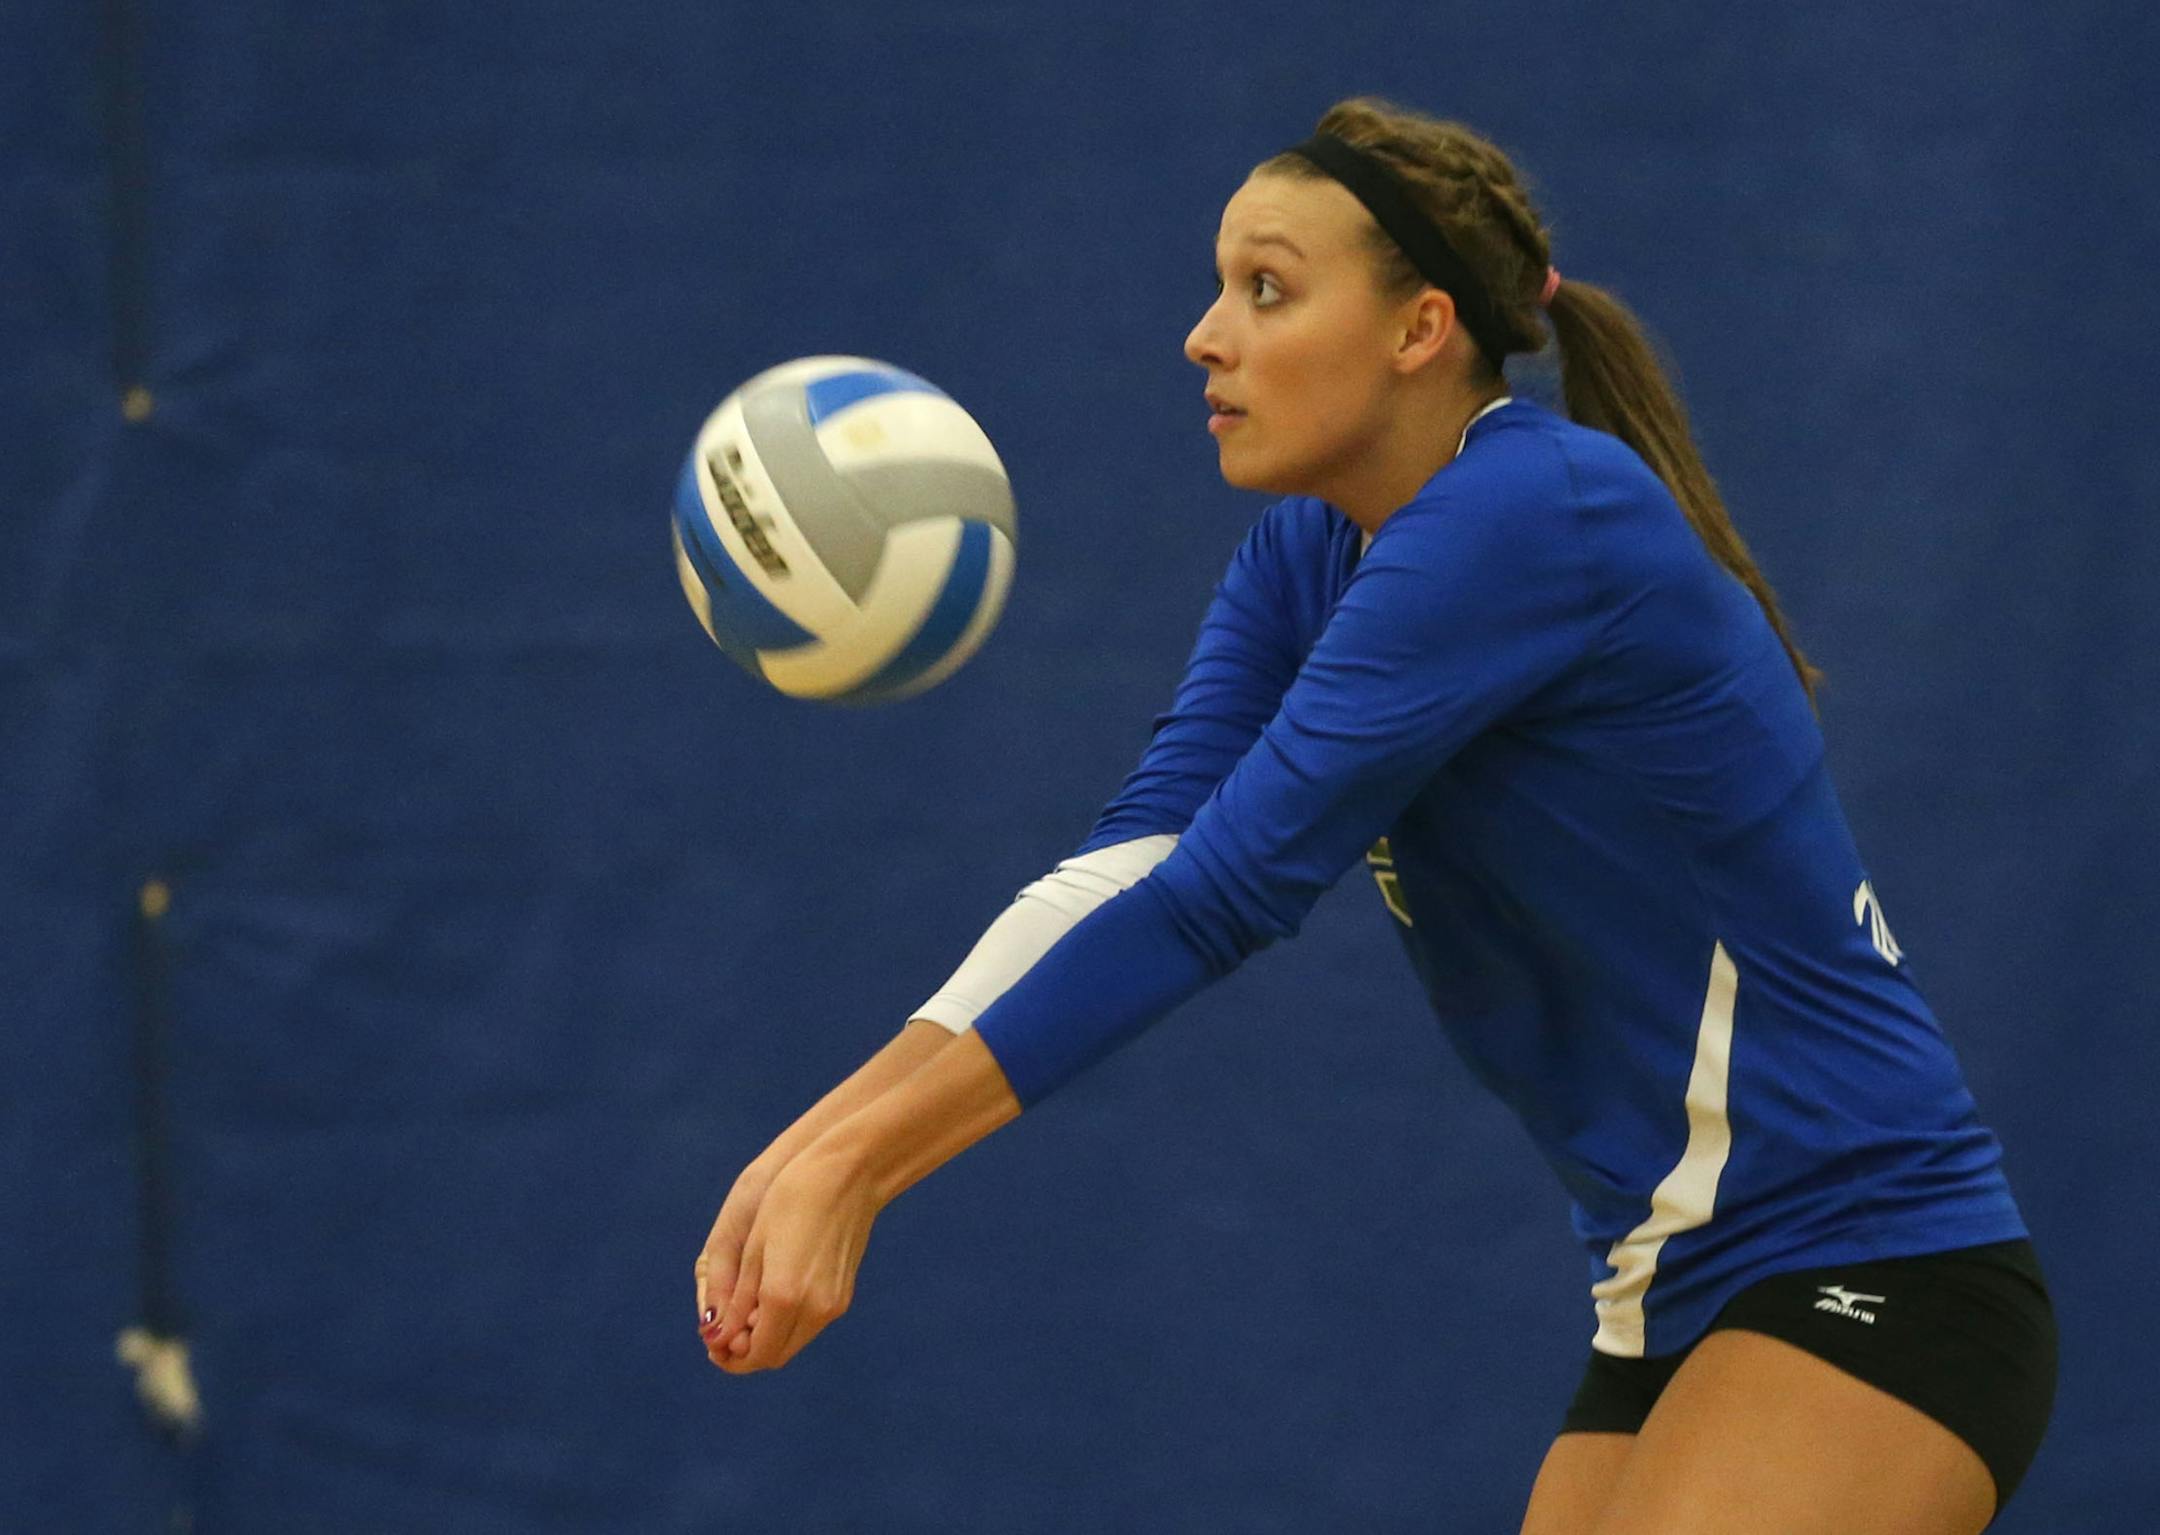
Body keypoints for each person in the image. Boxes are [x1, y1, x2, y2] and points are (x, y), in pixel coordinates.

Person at [691, 97, 2056, 1534]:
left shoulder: (1536, 511)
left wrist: (865, 1169)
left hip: (1879, 1272)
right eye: (1220, 286)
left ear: (1420, 331)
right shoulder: (1309, 555)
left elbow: (1228, 890)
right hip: (1667, 1300)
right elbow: (1136, 860)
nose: (1205, 336)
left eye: (1266, 289)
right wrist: (815, 1144)